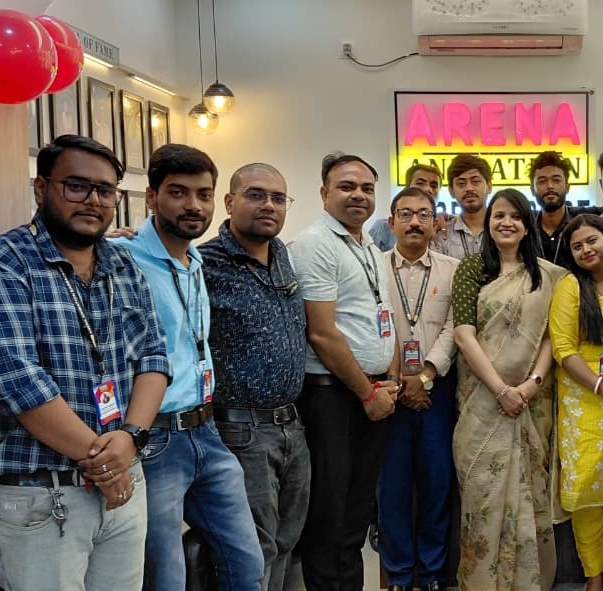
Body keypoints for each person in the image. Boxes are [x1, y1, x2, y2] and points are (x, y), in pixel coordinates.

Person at [0, 134, 168, 589]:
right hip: (41, 497)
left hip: (125, 481)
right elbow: (19, 384)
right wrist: (106, 463)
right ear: (41, 188)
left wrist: (129, 439)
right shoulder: (1, 264)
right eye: (76, 186)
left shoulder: (123, 267)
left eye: (105, 190)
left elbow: (153, 357)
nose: (93, 200)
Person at [110, 144, 264, 591]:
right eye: (178, 193)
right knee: (165, 576)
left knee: (246, 563)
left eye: (204, 194)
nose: (193, 205)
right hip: (154, 439)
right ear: (151, 198)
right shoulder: (121, 259)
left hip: (206, 431)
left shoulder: (195, 261)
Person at [290, 152, 402, 590]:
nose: (358, 195)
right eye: (346, 186)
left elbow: (379, 315)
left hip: (368, 392)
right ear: (324, 193)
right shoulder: (315, 244)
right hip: (332, 395)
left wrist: (387, 379)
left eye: (367, 188)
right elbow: (322, 334)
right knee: (330, 515)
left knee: (355, 513)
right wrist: (367, 393)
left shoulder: (366, 243)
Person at [200, 162, 311, 591]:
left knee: (287, 539)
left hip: (291, 424)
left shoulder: (282, 255)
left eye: (278, 198)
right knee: (252, 546)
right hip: (240, 427)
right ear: (229, 202)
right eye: (256, 194)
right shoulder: (204, 262)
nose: (269, 205)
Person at [451, 188, 567, 589]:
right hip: (481, 404)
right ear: (488, 221)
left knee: (530, 495)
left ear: (526, 224)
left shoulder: (548, 275)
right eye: (499, 215)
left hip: (530, 404)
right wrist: (501, 389)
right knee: (481, 501)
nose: (506, 223)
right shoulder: (471, 269)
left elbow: (554, 336)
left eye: (516, 216)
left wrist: (531, 385)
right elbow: (464, 336)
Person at [548, 214, 603, 591]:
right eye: (577, 246)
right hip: (584, 402)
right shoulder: (570, 286)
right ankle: (594, 576)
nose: (586, 250)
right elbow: (563, 350)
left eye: (592, 241)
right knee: (587, 493)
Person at [378, 187, 461, 591]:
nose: (414, 221)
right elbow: (374, 324)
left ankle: (430, 573)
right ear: (391, 222)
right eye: (405, 214)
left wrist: (426, 375)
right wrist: (399, 379)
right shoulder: (373, 267)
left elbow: (455, 327)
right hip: (387, 390)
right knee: (392, 485)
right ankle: (397, 573)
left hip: (437, 390)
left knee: (437, 481)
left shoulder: (453, 268)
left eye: (424, 214)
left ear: (435, 222)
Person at [531, 151, 603, 262]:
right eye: (542, 181)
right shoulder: (525, 225)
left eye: (556, 180)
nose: (550, 186)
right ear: (532, 190)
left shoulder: (586, 217)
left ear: (567, 187)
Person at [369, 163, 443, 251]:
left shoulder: (445, 227)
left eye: (434, 186)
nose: (428, 189)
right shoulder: (383, 228)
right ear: (407, 188)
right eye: (420, 183)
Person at [437, 154, 493, 260]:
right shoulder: (441, 234)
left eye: (475, 182)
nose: (469, 188)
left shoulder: (503, 228)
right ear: (451, 191)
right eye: (461, 183)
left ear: (489, 186)